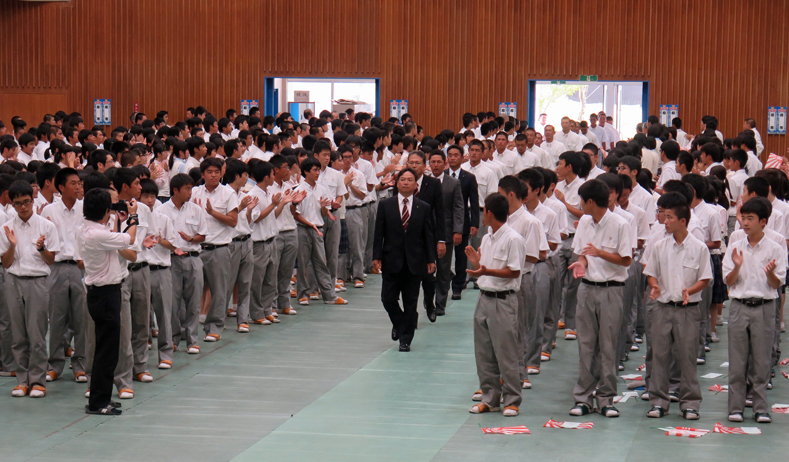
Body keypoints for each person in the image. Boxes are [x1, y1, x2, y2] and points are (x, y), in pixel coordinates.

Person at [567, 179, 632, 418]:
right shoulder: (584, 221)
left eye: (581, 200)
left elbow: (626, 260)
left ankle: (606, 399)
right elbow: (583, 254)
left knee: (608, 345)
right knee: (585, 344)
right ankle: (583, 398)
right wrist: (581, 263)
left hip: (611, 290)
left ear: (591, 201)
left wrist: (600, 253)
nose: (580, 205)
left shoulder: (620, 224)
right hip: (586, 288)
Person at [643, 200, 711, 420]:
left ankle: (690, 402)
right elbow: (651, 272)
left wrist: (690, 291)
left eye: (670, 217)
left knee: (687, 357)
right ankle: (658, 401)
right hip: (663, 308)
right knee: (659, 356)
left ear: (683, 221)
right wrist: (654, 286)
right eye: (664, 216)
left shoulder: (699, 248)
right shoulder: (660, 246)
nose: (665, 220)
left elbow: (705, 278)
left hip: (687, 310)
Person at [723, 197, 786, 424]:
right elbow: (728, 281)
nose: (745, 223)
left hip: (765, 307)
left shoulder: (776, 248)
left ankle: (760, 408)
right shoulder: (735, 246)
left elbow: (777, 284)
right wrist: (737, 265)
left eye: (750, 218)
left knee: (761, 362)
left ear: (763, 221)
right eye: (743, 218)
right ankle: (735, 408)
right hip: (739, 306)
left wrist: (770, 272)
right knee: (737, 361)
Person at [77, 188, 139, 415]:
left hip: (100, 292)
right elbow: (130, 239)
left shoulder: (86, 230)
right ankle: (98, 403)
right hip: (105, 294)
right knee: (107, 350)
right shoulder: (98, 234)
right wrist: (133, 217)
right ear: (106, 211)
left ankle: (101, 397)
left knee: (106, 348)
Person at [467, 193, 526, 417]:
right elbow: (485, 268)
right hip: (484, 297)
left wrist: (486, 270)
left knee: (506, 352)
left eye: (484, 211)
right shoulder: (487, 237)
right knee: (484, 352)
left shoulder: (513, 238)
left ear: (489, 213)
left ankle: (512, 399)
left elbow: (514, 271)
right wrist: (477, 264)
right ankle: (490, 398)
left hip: (504, 300)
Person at [1, 180, 60, 398]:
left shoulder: (46, 226)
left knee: (36, 333)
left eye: (26, 202)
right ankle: (21, 380)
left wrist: (41, 248)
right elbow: (6, 263)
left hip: (37, 281)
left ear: (33, 200)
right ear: (12, 204)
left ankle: (37, 380)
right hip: (14, 280)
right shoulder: (6, 228)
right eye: (18, 204)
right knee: (18, 334)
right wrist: (13, 245)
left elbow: (51, 260)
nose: (23, 207)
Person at [373, 168, 436, 351]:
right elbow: (379, 234)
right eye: (403, 179)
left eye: (410, 180)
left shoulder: (423, 207)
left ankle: (405, 339)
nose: (406, 182)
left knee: (410, 301)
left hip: (415, 261)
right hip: (391, 259)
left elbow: (428, 235)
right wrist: (376, 257)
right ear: (397, 183)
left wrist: (430, 259)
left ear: (416, 185)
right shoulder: (386, 205)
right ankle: (400, 323)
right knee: (387, 298)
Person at [42, 168, 87, 383]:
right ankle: (55, 364)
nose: (79, 187)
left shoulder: (86, 208)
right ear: (61, 187)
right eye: (74, 183)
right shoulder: (48, 210)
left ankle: (80, 364)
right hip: (57, 267)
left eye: (80, 183)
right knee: (57, 318)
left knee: (82, 318)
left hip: (80, 266)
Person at [158, 174, 207, 354]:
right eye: (186, 189)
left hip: (193, 257)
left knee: (193, 301)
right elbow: (158, 237)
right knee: (172, 302)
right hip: (171, 259)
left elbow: (203, 235)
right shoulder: (162, 211)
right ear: (175, 190)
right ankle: (173, 338)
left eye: (191, 188)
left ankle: (192, 339)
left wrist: (192, 238)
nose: (190, 192)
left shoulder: (196, 210)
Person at [191, 157, 239, 341]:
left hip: (219, 248)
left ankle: (214, 328)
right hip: (196, 248)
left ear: (222, 173)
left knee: (219, 291)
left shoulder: (228, 194)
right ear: (202, 174)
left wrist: (213, 213)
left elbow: (233, 221)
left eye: (217, 172)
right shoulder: (194, 192)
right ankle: (189, 330)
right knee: (193, 291)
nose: (213, 175)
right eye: (209, 172)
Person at [292, 157, 348, 306]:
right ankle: (303, 294)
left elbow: (324, 213)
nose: (318, 173)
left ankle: (329, 295)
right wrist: (310, 224)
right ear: (306, 172)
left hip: (318, 228)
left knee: (321, 262)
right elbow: (295, 214)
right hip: (304, 228)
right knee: (303, 263)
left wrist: (324, 207)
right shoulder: (298, 190)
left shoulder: (321, 189)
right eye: (315, 170)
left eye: (318, 170)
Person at [402, 151, 446, 322]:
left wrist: (441, 240)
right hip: (407, 239)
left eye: (417, 163)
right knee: (409, 279)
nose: (414, 166)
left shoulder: (433, 184)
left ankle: (430, 302)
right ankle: (411, 314)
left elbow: (440, 212)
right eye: (410, 163)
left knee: (428, 276)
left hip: (427, 237)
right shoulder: (402, 182)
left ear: (424, 165)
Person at [429, 150, 463, 316]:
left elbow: (458, 207)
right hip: (427, 232)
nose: (435, 165)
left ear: (445, 163)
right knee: (426, 270)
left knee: (443, 270)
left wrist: (457, 229)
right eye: (433, 162)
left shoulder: (453, 183)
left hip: (447, 231)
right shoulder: (424, 183)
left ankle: (440, 304)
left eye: (438, 162)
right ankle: (429, 303)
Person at [445, 144, 479, 299]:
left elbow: (474, 201)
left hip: (462, 222)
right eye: (450, 155)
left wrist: (474, 223)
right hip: (443, 222)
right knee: (442, 256)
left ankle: (457, 287)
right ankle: (447, 280)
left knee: (460, 257)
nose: (452, 158)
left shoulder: (469, 177)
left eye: (455, 155)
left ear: (461, 157)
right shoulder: (441, 175)